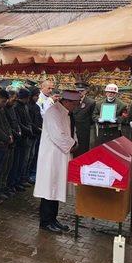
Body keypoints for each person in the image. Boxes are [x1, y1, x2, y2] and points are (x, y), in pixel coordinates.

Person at [33, 90, 80, 233]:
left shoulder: (66, 113)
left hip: (61, 155)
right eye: (75, 104)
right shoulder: (53, 112)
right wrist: (72, 145)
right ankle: (46, 221)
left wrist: (74, 143)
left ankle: (53, 219)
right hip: (51, 157)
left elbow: (71, 132)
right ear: (67, 102)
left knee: (56, 187)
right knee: (50, 188)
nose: (76, 107)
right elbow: (58, 135)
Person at [72, 82, 96, 157]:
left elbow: (92, 118)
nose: (79, 93)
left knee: (82, 151)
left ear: (86, 91)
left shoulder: (91, 102)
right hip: (72, 129)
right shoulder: (71, 100)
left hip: (84, 131)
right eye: (78, 91)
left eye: (81, 91)